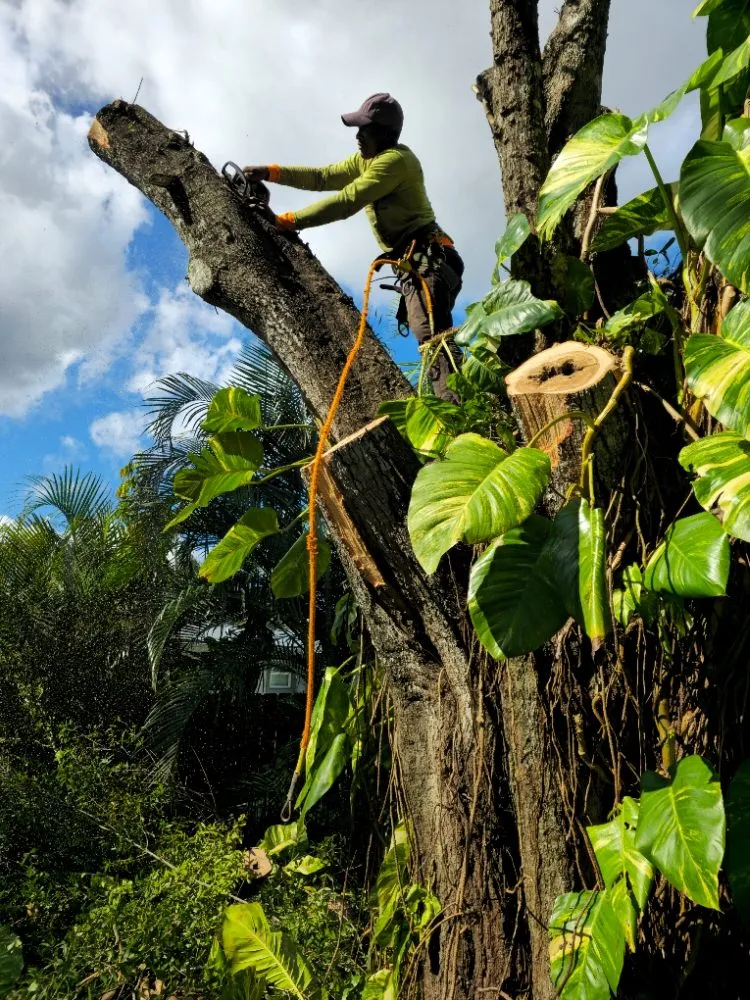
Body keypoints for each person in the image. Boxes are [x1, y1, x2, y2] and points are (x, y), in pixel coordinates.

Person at [243, 93, 464, 401]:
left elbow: (348, 200)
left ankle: (458, 410)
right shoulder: (366, 159)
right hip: (416, 260)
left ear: (385, 134)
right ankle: (454, 403)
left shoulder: (395, 162)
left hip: (428, 258)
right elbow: (322, 177)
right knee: (427, 333)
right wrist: (270, 172)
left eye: (365, 130)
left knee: (430, 334)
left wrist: (285, 221)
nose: (358, 136)